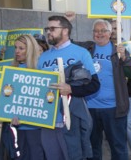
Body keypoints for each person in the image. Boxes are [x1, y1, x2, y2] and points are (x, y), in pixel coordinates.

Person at [37, 15, 100, 160]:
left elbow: (95, 85)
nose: (48, 32)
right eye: (47, 29)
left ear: (65, 31)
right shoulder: (43, 57)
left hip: (72, 119)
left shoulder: (81, 53)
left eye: (52, 28)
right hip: (49, 120)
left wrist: (71, 90)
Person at [80, 19, 131, 160]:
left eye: (103, 31)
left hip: (113, 108)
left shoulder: (117, 50)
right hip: (90, 108)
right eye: (96, 31)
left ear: (110, 33)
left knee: (118, 148)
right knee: (93, 149)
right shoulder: (87, 50)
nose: (99, 34)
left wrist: (124, 57)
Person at [110, 19, 131, 160]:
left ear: (121, 30)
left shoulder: (128, 47)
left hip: (125, 92)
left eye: (116, 28)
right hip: (108, 94)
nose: (114, 31)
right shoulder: (104, 48)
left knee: (128, 124)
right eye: (111, 28)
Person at [9, 34, 45, 160]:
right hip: (18, 126)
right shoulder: (11, 70)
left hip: (36, 127)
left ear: (30, 49)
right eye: (15, 48)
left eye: (21, 48)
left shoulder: (41, 69)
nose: (17, 51)